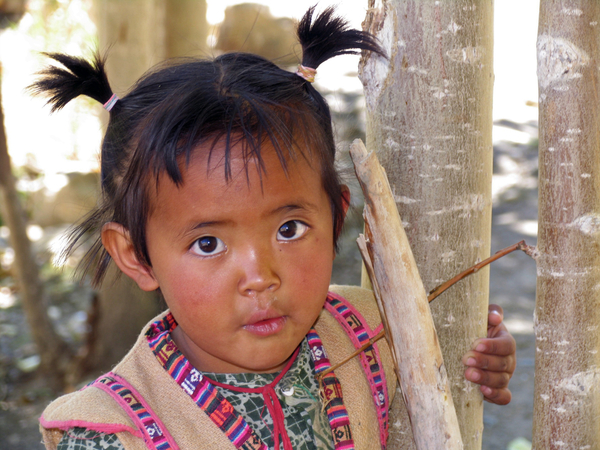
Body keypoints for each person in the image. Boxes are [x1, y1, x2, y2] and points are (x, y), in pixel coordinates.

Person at [32, 6, 516, 450]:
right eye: (208, 243)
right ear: (136, 254)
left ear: (335, 217)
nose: (261, 275)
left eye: (289, 229)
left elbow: (441, 370)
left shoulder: (379, 329)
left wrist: (479, 357)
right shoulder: (113, 435)